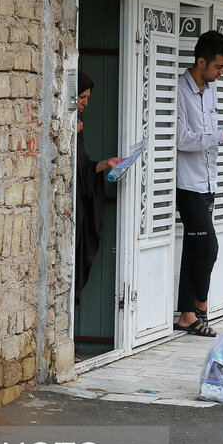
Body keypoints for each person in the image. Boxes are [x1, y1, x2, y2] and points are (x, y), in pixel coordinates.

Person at [174, 30, 223, 337]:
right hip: (187, 182)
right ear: (201, 61)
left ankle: (189, 314)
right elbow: (180, 138)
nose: (222, 72)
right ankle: (196, 310)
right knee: (208, 246)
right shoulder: (178, 89)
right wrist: (221, 136)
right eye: (218, 66)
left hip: (209, 180)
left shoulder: (211, 89)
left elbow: (209, 132)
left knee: (195, 246)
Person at [75, 72, 124, 305]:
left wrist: (106, 164)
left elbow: (82, 167)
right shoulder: (72, 127)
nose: (85, 103)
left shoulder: (78, 128)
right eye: (81, 97)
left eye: (87, 97)